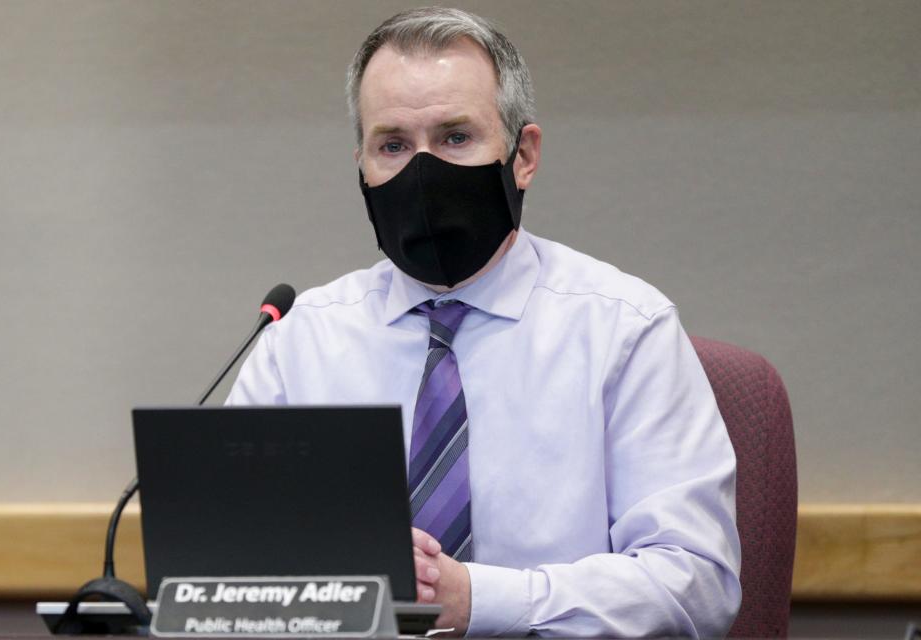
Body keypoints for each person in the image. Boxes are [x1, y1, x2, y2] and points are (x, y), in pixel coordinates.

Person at [227, 7, 741, 637]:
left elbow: (697, 586)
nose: (423, 172)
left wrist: (480, 599)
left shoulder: (624, 330)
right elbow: (226, 570)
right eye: (392, 145)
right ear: (362, 167)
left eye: (455, 138)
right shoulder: (298, 341)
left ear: (522, 155)